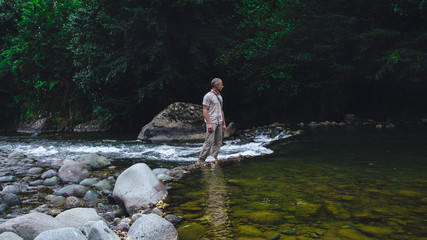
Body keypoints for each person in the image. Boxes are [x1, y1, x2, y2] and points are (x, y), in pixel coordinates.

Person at [198, 78, 227, 163]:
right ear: (216, 85)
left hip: (219, 121)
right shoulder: (208, 96)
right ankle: (200, 160)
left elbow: (221, 110)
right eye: (221, 84)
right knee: (209, 142)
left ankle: (213, 158)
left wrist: (224, 124)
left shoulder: (220, 96)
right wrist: (209, 124)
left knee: (218, 141)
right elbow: (205, 110)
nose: (222, 86)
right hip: (212, 121)